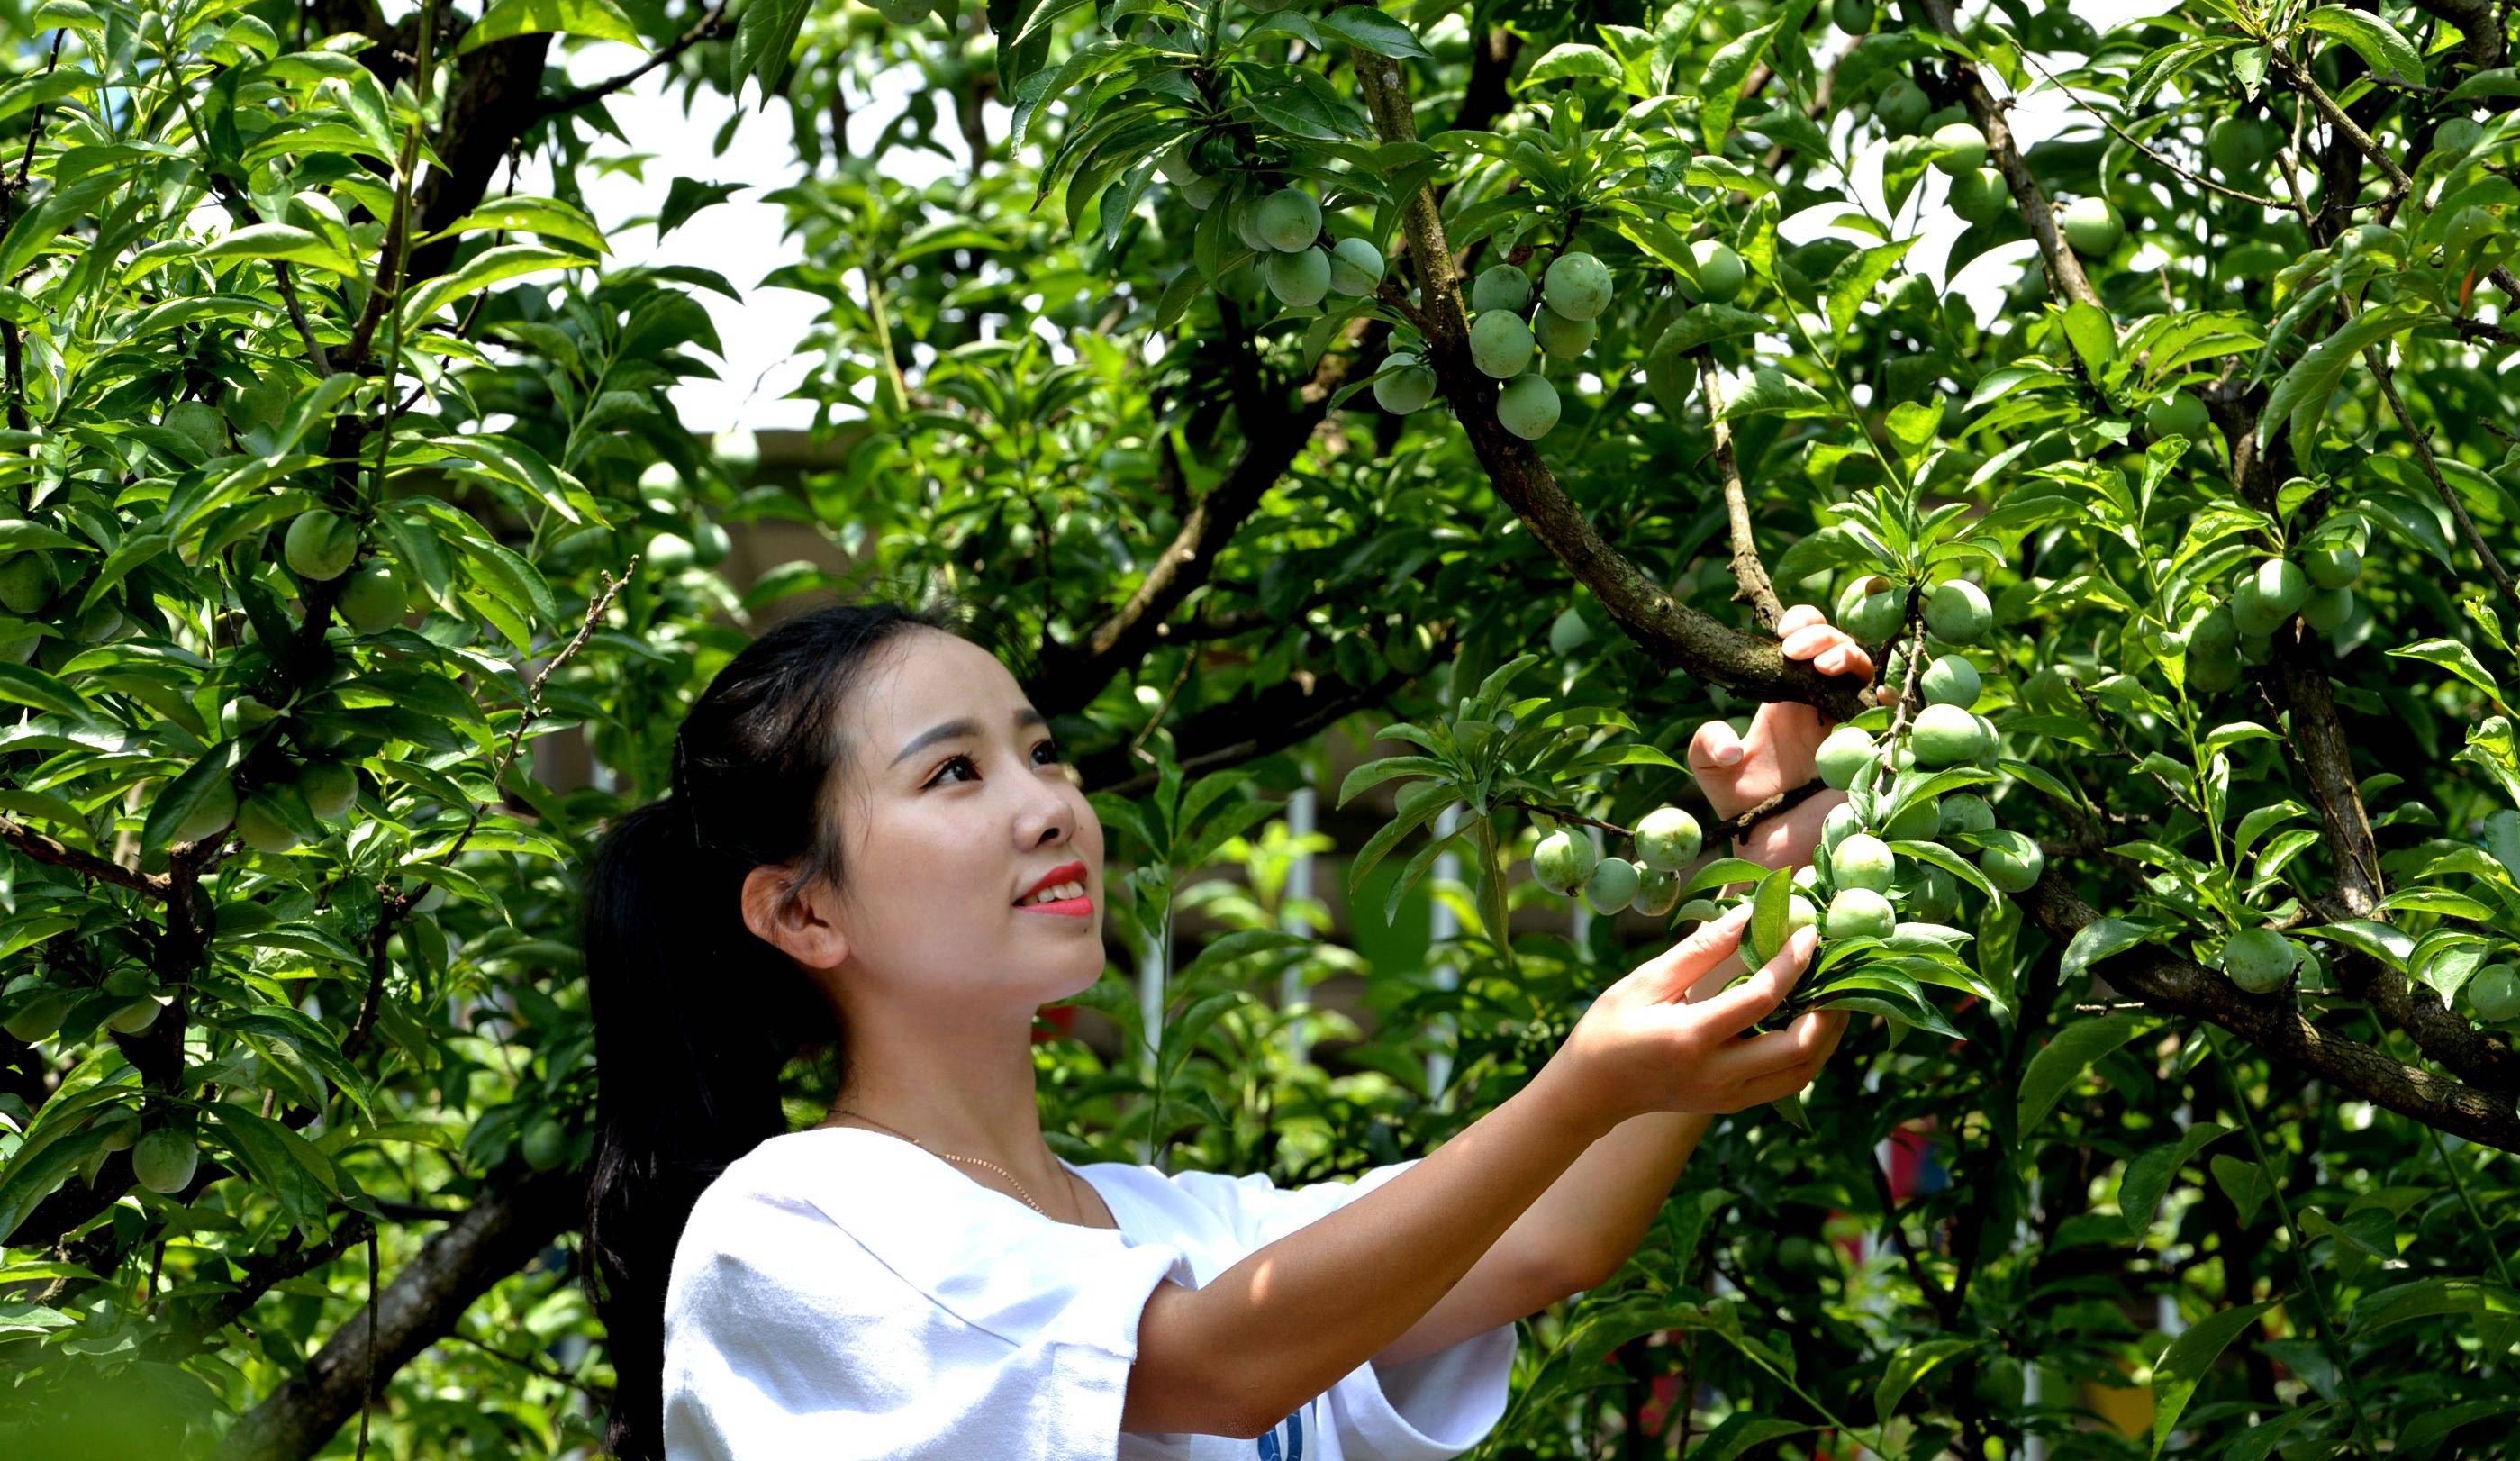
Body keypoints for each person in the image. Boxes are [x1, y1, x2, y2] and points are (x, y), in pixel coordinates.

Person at [580, 595, 1872, 1460]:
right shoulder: (791, 1220)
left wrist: (1764, 871)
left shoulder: (1172, 1224)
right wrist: (1581, 1088)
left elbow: (1545, 1235)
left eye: (1042, 753)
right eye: (954, 771)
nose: (1048, 807)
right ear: (802, 913)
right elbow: (1216, 1365)